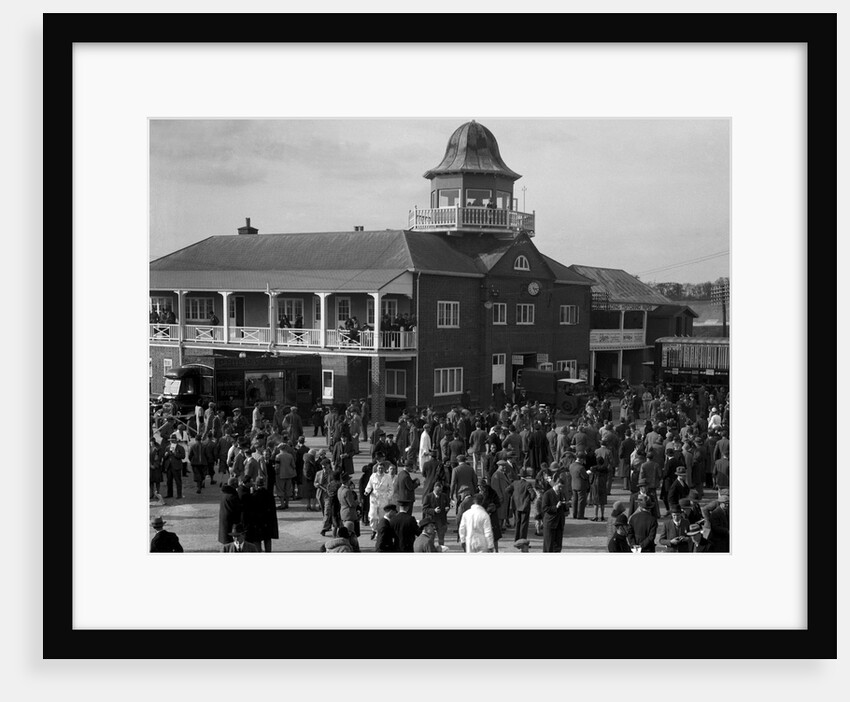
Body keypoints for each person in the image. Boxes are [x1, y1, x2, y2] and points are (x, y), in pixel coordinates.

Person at [364, 458, 394, 539]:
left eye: (382, 468)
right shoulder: (373, 476)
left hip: (383, 498)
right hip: (374, 498)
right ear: (377, 468)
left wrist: (388, 497)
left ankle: (380, 532)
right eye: (379, 468)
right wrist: (367, 491)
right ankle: (374, 529)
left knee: (382, 516)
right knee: (372, 515)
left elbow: (391, 489)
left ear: (384, 469)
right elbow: (369, 486)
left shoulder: (388, 477)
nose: (380, 469)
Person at [540, 474, 568, 552]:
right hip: (550, 523)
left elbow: (564, 507)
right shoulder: (547, 494)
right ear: (555, 484)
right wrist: (555, 507)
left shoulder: (562, 494)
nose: (561, 489)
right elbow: (544, 508)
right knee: (548, 546)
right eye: (559, 487)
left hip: (559, 523)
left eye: (562, 487)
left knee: (558, 546)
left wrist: (566, 506)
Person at [249, 476, 278, 552]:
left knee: (257, 540)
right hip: (267, 521)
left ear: (256, 484)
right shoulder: (269, 494)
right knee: (267, 539)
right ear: (264, 484)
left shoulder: (253, 495)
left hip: (257, 521)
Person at [506, 469, 536, 541]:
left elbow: (507, 490)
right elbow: (533, 494)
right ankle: (522, 539)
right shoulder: (527, 484)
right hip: (524, 506)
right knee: (524, 524)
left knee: (517, 522)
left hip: (516, 505)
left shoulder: (515, 483)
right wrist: (530, 500)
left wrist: (512, 496)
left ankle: (516, 539)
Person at [422, 480, 451, 548]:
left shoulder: (444, 496)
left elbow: (448, 505)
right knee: (431, 539)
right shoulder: (428, 497)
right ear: (434, 489)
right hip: (432, 521)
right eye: (437, 491)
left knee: (441, 539)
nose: (439, 493)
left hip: (441, 521)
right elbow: (424, 509)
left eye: (440, 491)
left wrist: (447, 508)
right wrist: (433, 510)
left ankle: (441, 550)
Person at [162, 434, 186, 500]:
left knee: (178, 481)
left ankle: (179, 494)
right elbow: (164, 457)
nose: (171, 442)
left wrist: (175, 453)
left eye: (173, 440)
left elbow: (183, 456)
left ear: (176, 440)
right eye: (171, 440)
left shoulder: (180, 448)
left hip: (176, 466)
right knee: (169, 481)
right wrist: (166, 455)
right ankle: (169, 494)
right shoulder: (167, 447)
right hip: (169, 466)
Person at [568, 454, 591, 520]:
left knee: (574, 500)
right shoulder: (581, 467)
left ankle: (574, 514)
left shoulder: (571, 465)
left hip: (573, 484)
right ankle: (580, 515)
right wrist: (588, 473)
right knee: (581, 501)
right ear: (581, 459)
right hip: (581, 485)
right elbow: (585, 476)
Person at [275, 444, 297, 509]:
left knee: (280, 489)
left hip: (280, 475)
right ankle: (287, 503)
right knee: (288, 489)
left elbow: (277, 466)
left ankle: (282, 504)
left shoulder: (278, 456)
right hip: (289, 475)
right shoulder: (290, 456)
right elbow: (293, 465)